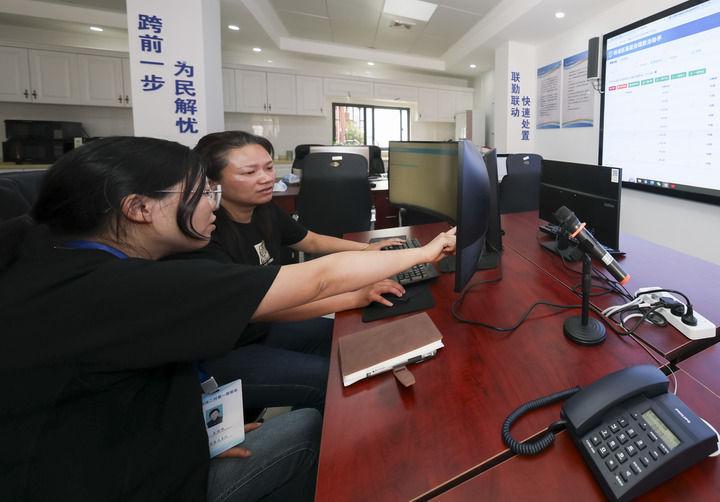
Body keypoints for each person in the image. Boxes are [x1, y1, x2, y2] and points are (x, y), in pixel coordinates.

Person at [0, 136, 456, 502]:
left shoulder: (55, 262)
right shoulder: (117, 288)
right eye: (201, 193)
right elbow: (318, 280)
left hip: (138, 445)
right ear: (138, 209)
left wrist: (201, 428)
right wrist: (427, 252)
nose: (211, 205)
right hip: (137, 483)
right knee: (311, 422)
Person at [175, 131, 406, 413]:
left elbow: (310, 240)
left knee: (345, 339)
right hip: (228, 349)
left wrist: (366, 249)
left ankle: (310, 408)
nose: (266, 178)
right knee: (332, 379)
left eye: (268, 167)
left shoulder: (263, 209)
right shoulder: (208, 233)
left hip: (263, 326)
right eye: (249, 172)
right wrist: (353, 297)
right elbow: (264, 308)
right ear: (213, 182)